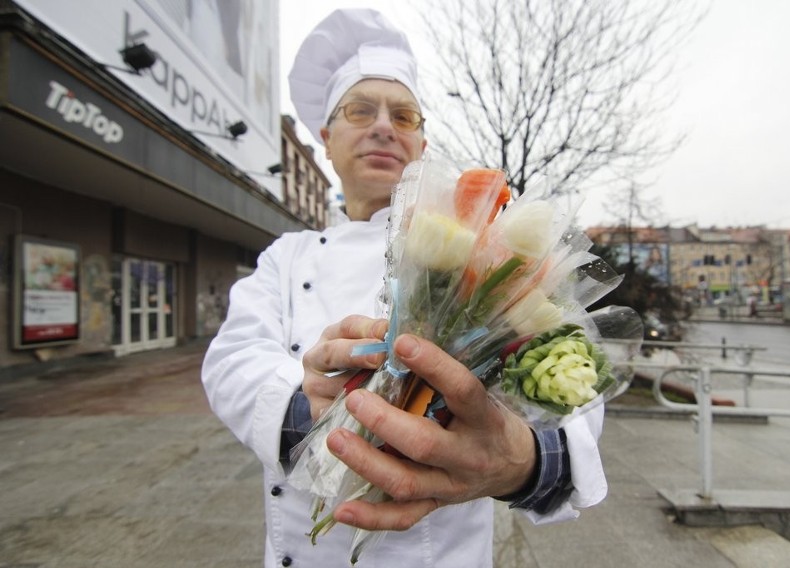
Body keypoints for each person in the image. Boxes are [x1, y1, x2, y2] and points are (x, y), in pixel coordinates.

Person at [201, 9, 607, 568]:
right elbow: (231, 361)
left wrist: (521, 463)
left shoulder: (489, 247)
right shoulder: (285, 256)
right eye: (360, 110)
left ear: (421, 142)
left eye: (405, 115)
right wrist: (319, 416)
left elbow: (570, 388)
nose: (384, 126)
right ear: (327, 137)